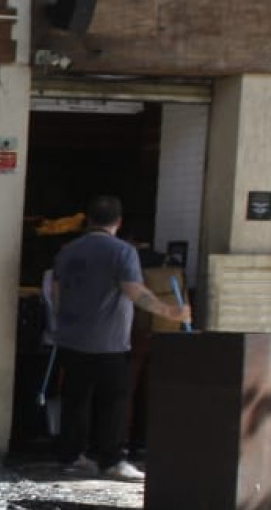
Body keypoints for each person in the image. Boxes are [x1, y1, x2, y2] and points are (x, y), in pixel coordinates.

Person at [49, 194, 189, 482]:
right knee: (113, 402)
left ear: (88, 219)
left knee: (75, 400)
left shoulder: (68, 251)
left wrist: (62, 326)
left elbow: (56, 293)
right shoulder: (123, 252)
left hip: (71, 338)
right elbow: (133, 291)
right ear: (118, 222)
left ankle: (72, 456)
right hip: (110, 341)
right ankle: (111, 459)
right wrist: (170, 311)